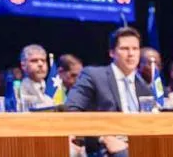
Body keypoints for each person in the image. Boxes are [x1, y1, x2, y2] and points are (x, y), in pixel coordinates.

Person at [65, 27, 152, 157]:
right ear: (112, 53)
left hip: (140, 144)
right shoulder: (94, 76)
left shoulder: (144, 87)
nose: (131, 54)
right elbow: (71, 111)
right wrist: (104, 137)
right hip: (106, 148)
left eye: (135, 49)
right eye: (124, 49)